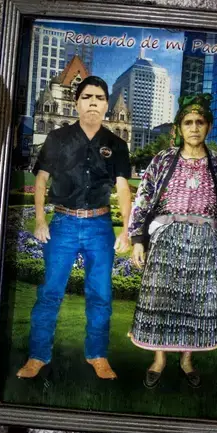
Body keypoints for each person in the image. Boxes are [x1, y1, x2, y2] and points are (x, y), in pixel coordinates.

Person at [16, 76, 132, 380]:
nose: (93, 102)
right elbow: (41, 179)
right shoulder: (57, 138)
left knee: (101, 295)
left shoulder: (116, 144)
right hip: (63, 224)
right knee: (50, 293)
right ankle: (37, 356)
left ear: (106, 105)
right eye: (87, 97)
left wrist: (127, 229)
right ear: (77, 102)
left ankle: (98, 355)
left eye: (99, 98)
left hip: (100, 226)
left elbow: (122, 188)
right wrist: (40, 219)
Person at [127, 93, 217, 389]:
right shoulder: (162, 161)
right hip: (166, 239)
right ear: (179, 128)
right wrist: (138, 239)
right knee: (159, 299)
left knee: (198, 303)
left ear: (208, 127)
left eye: (200, 122)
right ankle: (159, 360)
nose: (194, 128)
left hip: (205, 242)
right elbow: (142, 199)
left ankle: (187, 360)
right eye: (188, 122)